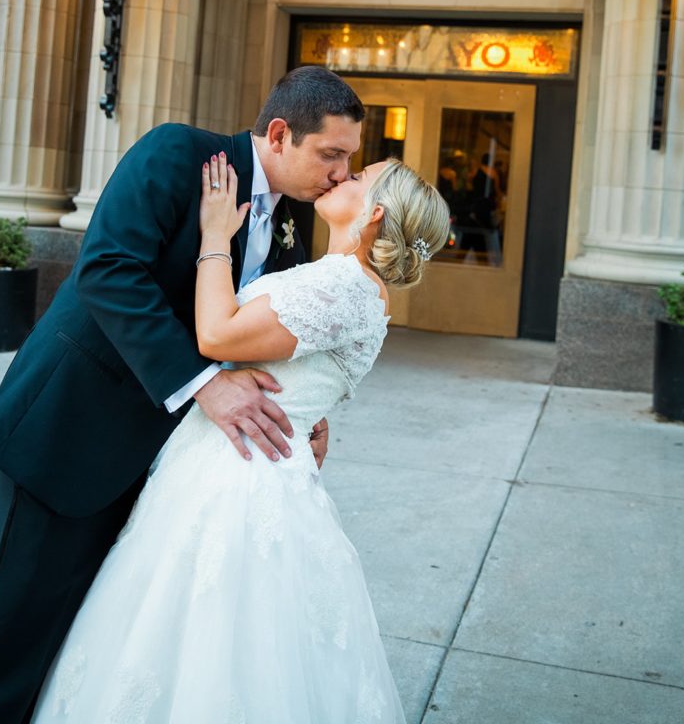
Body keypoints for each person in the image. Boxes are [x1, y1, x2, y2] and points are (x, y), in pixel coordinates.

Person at [0, 66, 364, 724]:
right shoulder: (180, 154)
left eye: (349, 160)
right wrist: (206, 386)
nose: (342, 173)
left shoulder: (288, 224)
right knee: (12, 636)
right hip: (71, 435)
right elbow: (108, 269)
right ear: (282, 134)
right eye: (332, 154)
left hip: (163, 465)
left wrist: (300, 409)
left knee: (84, 638)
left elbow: (252, 329)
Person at [29, 155, 451, 722]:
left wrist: (214, 237)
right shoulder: (345, 281)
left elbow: (216, 332)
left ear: (373, 212)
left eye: (355, 177)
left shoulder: (343, 282)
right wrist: (308, 415)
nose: (340, 176)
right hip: (243, 457)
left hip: (240, 478)